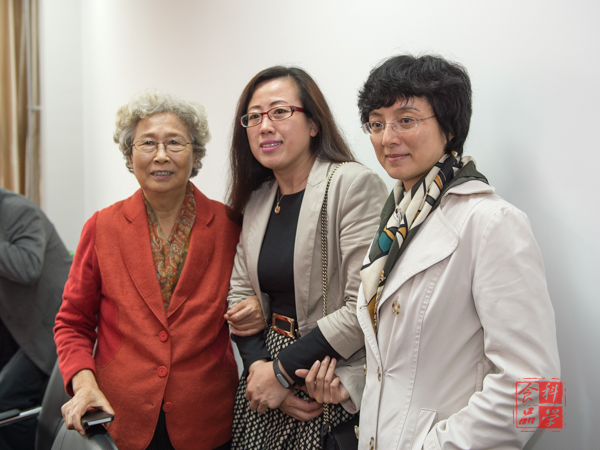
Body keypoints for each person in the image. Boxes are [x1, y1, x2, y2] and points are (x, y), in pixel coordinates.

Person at [349, 54, 560, 449]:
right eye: (376, 123)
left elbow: (540, 390)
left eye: (406, 120)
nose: (387, 137)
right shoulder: (396, 223)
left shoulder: (492, 222)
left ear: (449, 127)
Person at [54, 90, 240, 450]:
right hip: (120, 416)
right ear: (129, 155)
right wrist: (83, 383)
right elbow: (72, 322)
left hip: (206, 418)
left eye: (175, 143)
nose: (161, 155)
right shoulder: (102, 227)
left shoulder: (229, 225)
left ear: (196, 154)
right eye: (148, 143)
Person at [225, 65, 388, 450]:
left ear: (314, 123)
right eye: (254, 117)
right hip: (263, 379)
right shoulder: (258, 198)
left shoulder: (352, 185)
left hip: (323, 374)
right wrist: (259, 369)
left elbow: (363, 307)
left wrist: (282, 373)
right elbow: (239, 296)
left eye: (280, 112)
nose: (265, 126)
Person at [0, 188, 72, 450]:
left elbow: (28, 266)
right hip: (17, 327)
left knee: (5, 401)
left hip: (53, 329)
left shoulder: (19, 211)